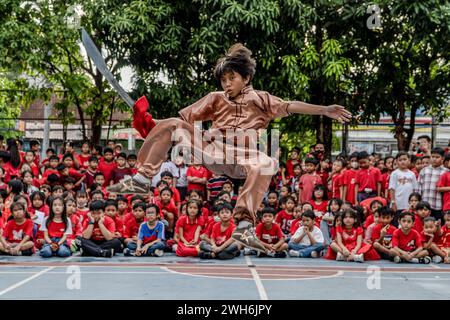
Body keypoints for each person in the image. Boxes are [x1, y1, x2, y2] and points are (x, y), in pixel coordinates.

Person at [106, 43, 351, 252]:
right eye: (223, 79)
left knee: (267, 163)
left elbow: (290, 106)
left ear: (246, 78)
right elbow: (177, 123)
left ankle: (244, 226)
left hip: (243, 156)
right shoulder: (215, 98)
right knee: (172, 124)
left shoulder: (261, 99)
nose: (226, 83)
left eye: (231, 78)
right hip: (211, 148)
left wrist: (324, 110)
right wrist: (147, 122)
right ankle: (141, 178)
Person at [417, 147, 449, 223]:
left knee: (437, 226)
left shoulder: (446, 172)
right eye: (433, 156)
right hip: (424, 207)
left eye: (437, 157)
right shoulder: (424, 170)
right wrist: (418, 203)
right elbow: (418, 187)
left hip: (439, 206)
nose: (434, 159)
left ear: (443, 158)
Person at [389, 151, 418, 219]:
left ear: (409, 160)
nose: (402, 162)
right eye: (400, 160)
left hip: (409, 205)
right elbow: (391, 189)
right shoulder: (394, 173)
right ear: (396, 161)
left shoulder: (412, 174)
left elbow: (414, 190)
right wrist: (393, 202)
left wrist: (414, 203)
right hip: (398, 204)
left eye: (404, 159)